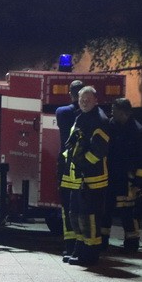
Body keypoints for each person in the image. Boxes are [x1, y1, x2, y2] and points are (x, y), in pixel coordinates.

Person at [63, 86, 110, 266]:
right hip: (79, 178)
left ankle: (90, 254)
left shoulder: (100, 120)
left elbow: (98, 151)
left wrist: (83, 164)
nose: (84, 102)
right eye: (82, 99)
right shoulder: (80, 117)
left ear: (95, 100)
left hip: (93, 179)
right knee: (75, 215)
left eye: (87, 100)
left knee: (89, 218)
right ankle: (80, 249)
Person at [101, 98, 142, 254]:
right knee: (105, 209)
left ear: (123, 112)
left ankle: (132, 242)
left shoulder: (138, 131)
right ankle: (102, 241)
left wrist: (139, 181)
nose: (111, 114)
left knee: (128, 211)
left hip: (128, 179)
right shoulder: (111, 126)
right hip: (111, 175)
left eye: (114, 111)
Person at [55, 80, 85, 256]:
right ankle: (84, 244)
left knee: (68, 208)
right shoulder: (91, 116)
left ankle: (70, 245)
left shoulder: (63, 112)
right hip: (85, 169)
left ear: (70, 93)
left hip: (67, 167)